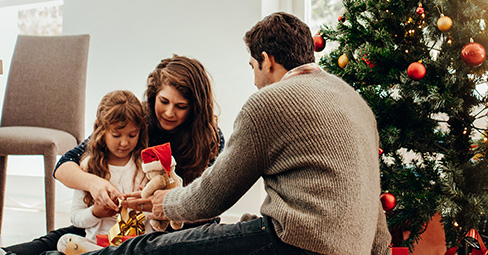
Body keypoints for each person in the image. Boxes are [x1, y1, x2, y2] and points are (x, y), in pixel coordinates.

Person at [45, 11, 392, 255]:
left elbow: (215, 195)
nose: (254, 77)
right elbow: (375, 206)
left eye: (253, 67)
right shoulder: (355, 101)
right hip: (350, 247)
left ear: (267, 61)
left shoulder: (270, 101)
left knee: (148, 248)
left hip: (294, 240)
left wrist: (162, 203)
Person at [0, 55, 224, 255]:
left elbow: (212, 201)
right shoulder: (137, 124)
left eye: (181, 106)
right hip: (127, 225)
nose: (169, 112)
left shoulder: (212, 139)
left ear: (195, 107)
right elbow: (64, 166)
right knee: (68, 234)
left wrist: (167, 206)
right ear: (154, 96)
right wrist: (95, 183)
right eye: (163, 102)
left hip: (182, 226)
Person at [55, 90, 152, 254]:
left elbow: (155, 222)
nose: (124, 142)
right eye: (116, 135)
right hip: (98, 245)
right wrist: (95, 212)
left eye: (132, 135)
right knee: (65, 241)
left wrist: (146, 204)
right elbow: (76, 218)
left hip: (137, 246)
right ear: (101, 131)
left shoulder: (146, 166)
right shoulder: (89, 167)